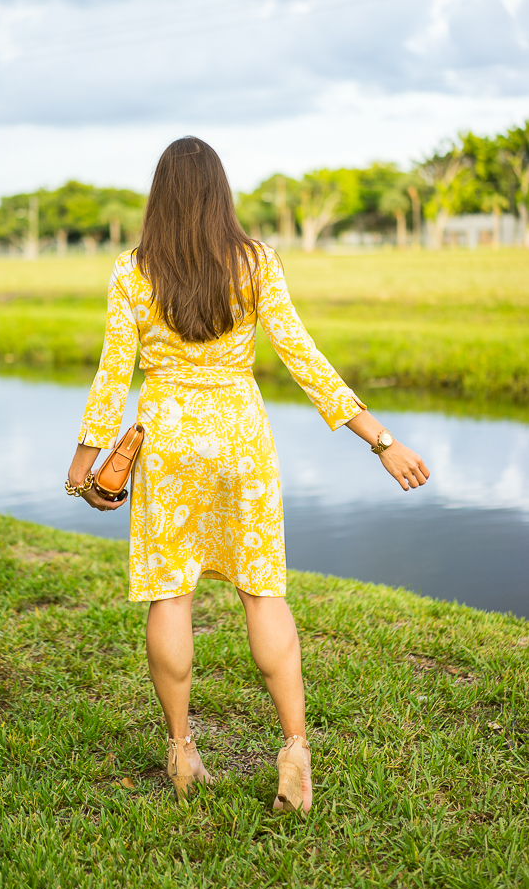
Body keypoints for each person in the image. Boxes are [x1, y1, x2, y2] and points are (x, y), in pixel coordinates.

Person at [67, 137, 429, 812]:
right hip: (241, 442)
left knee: (170, 595)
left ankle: (181, 752)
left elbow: (113, 372)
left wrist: (84, 462)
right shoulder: (255, 261)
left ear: (159, 197)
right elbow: (300, 354)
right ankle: (292, 749)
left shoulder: (130, 271)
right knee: (262, 591)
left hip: (169, 443)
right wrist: (380, 440)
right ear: (219, 194)